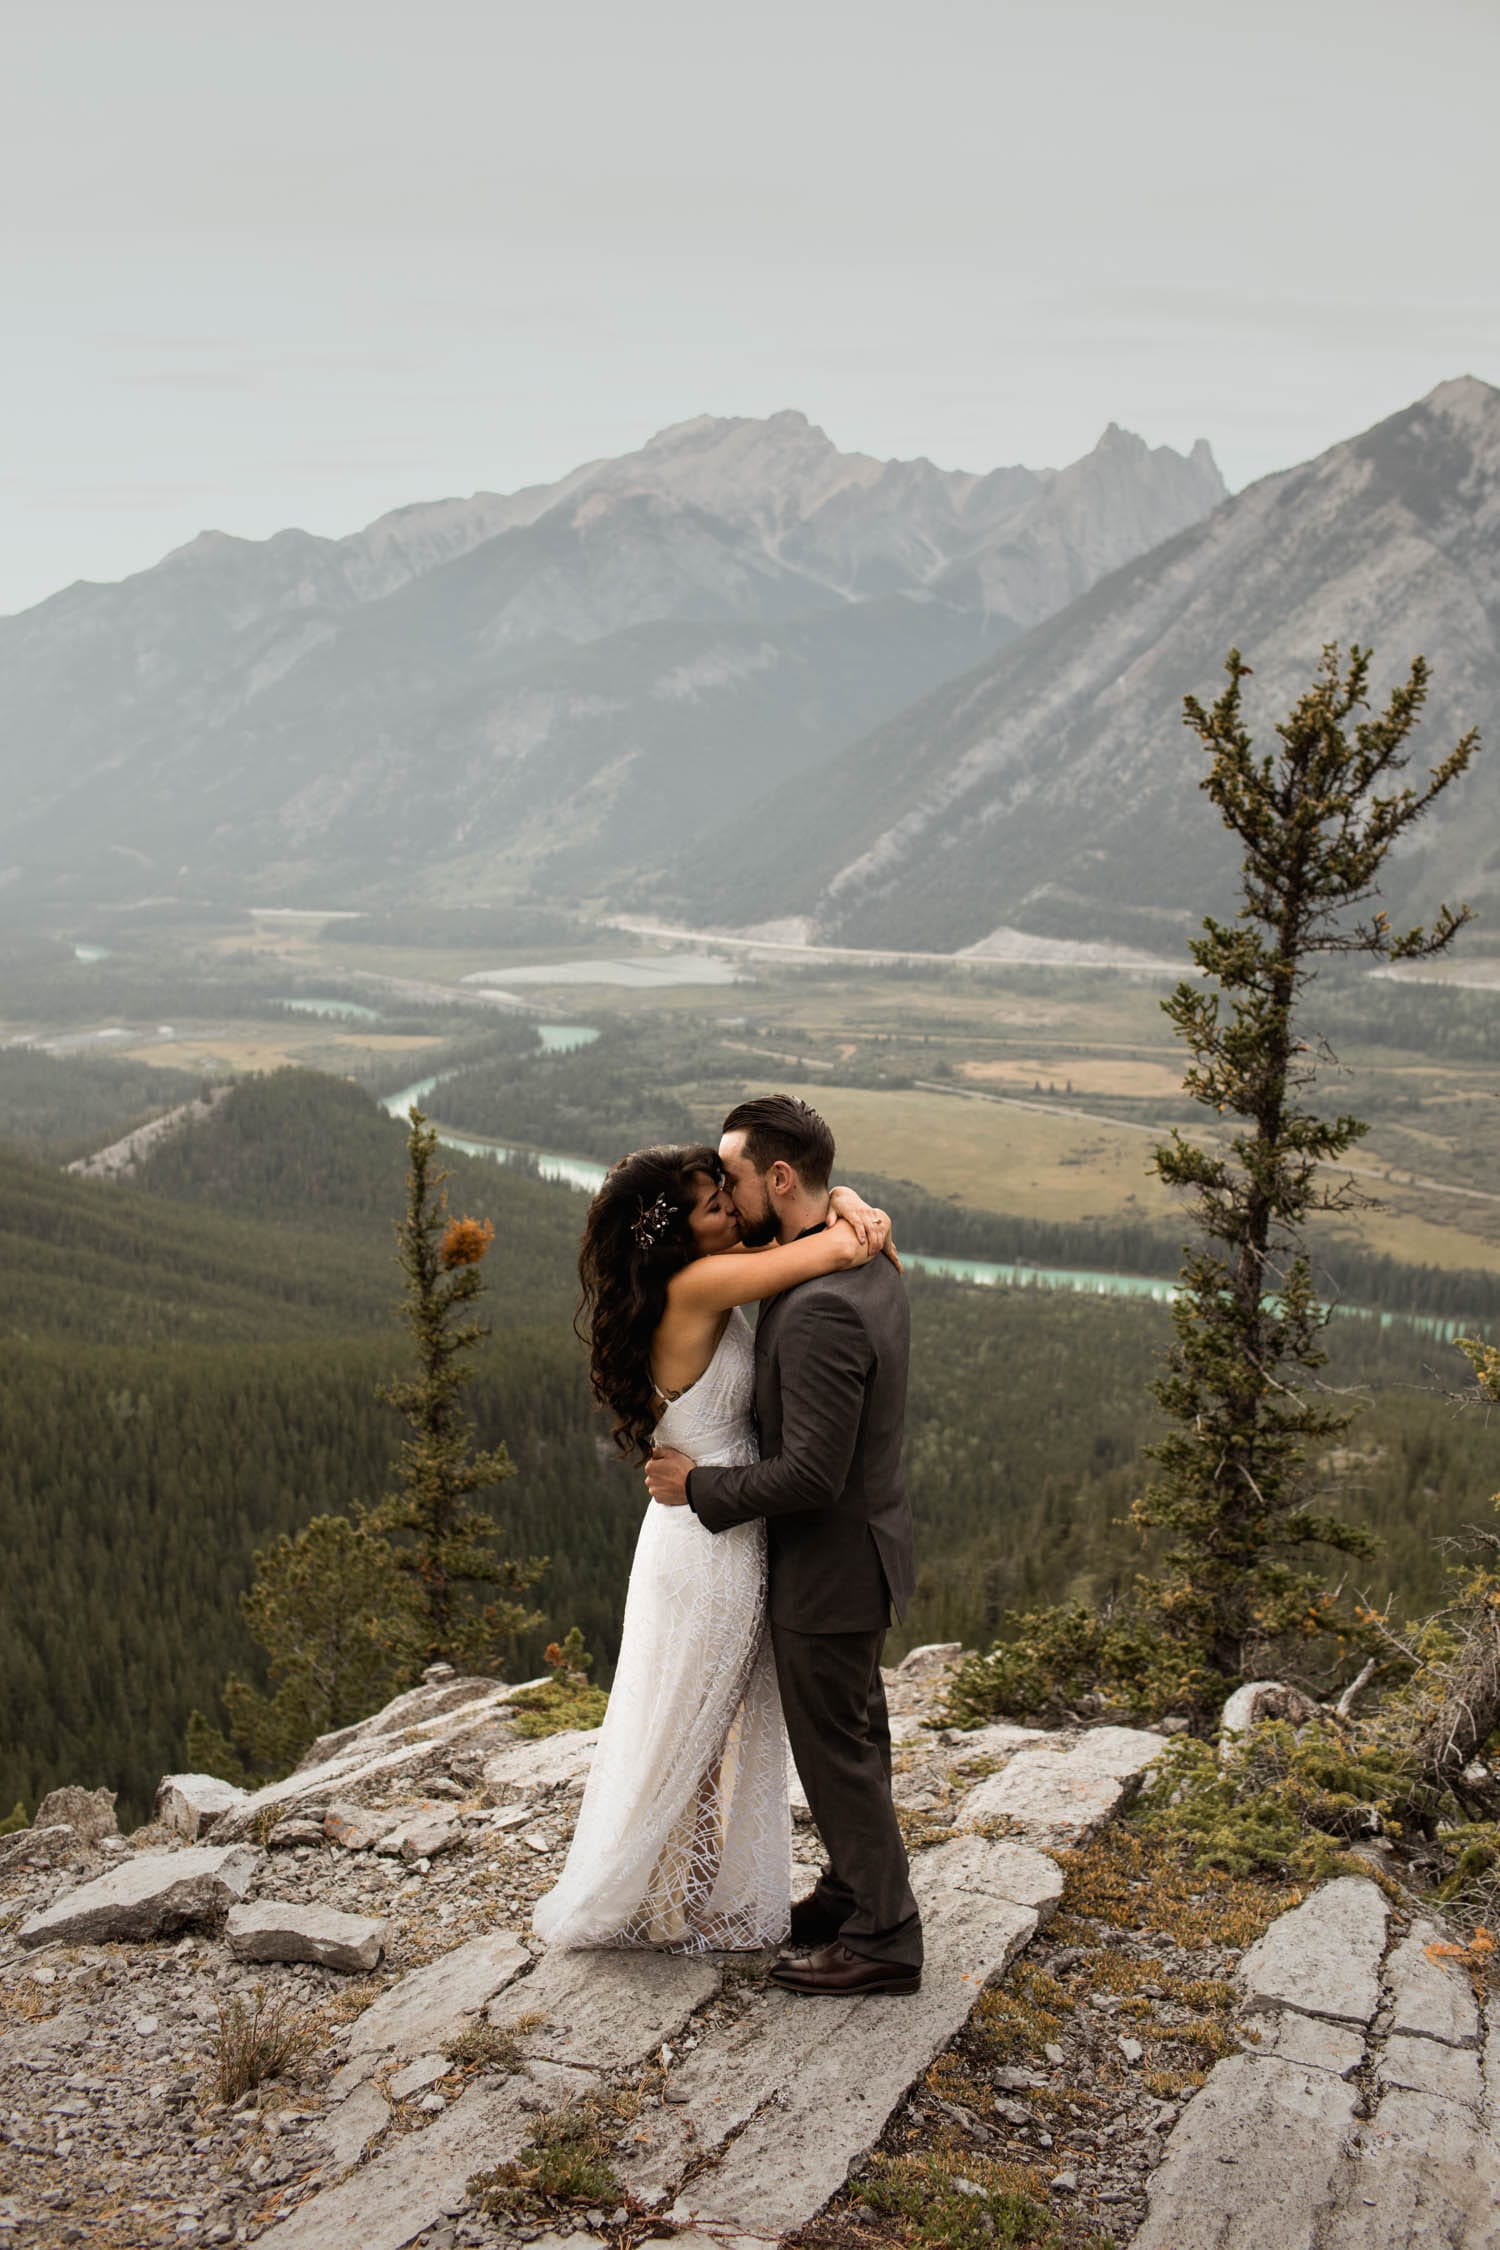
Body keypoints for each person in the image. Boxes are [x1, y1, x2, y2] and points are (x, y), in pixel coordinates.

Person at [532, 1140, 890, 1953]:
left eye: (726, 1196)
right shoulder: (698, 1284)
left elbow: (802, 1228)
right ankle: (664, 1901)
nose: (732, 1208)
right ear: (675, 1236)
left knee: (703, 1721)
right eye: (713, 1205)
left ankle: (676, 1896)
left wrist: (849, 1192)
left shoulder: (707, 1268)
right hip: (707, 1544)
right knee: (695, 1723)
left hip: (709, 1525)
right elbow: (829, 1246)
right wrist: (855, 1213)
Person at [645, 1094, 922, 1998]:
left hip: (829, 1564)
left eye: (731, 1177)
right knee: (858, 1736)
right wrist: (851, 1207)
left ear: (778, 1176)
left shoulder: (818, 1311)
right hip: (862, 1551)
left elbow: (810, 1475)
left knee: (837, 1749)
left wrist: (700, 1488)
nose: (723, 1193)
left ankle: (885, 1936)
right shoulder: (863, 1264)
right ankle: (851, 1894)